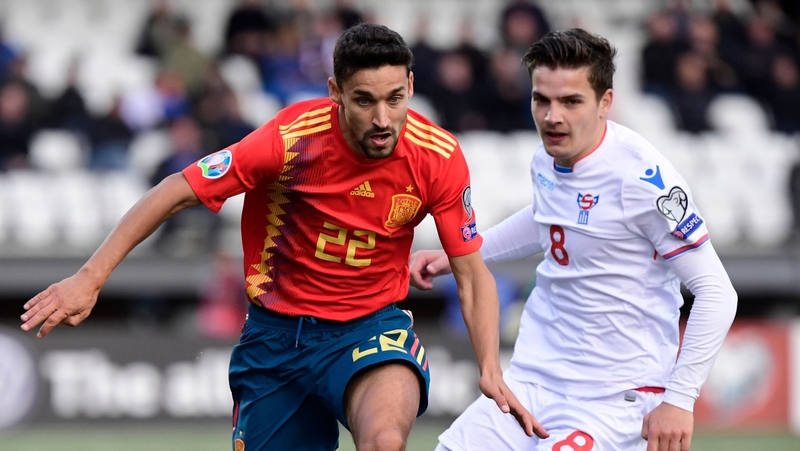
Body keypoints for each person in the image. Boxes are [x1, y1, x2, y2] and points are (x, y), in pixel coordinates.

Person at [20, 23, 539, 451]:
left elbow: (472, 274)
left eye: (395, 98)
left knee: (385, 441)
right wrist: (91, 277)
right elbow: (176, 190)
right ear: (335, 92)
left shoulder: (437, 156)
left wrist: (489, 368)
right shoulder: (291, 142)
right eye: (363, 100)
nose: (383, 119)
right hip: (277, 340)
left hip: (370, 328)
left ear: (410, 84)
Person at [410, 28, 738, 451]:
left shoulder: (642, 181)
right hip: (531, 379)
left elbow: (717, 293)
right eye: (541, 100)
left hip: (613, 399)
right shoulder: (547, 157)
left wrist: (680, 399)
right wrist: (461, 254)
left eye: (570, 101)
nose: (552, 117)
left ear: (605, 102)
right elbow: (546, 217)